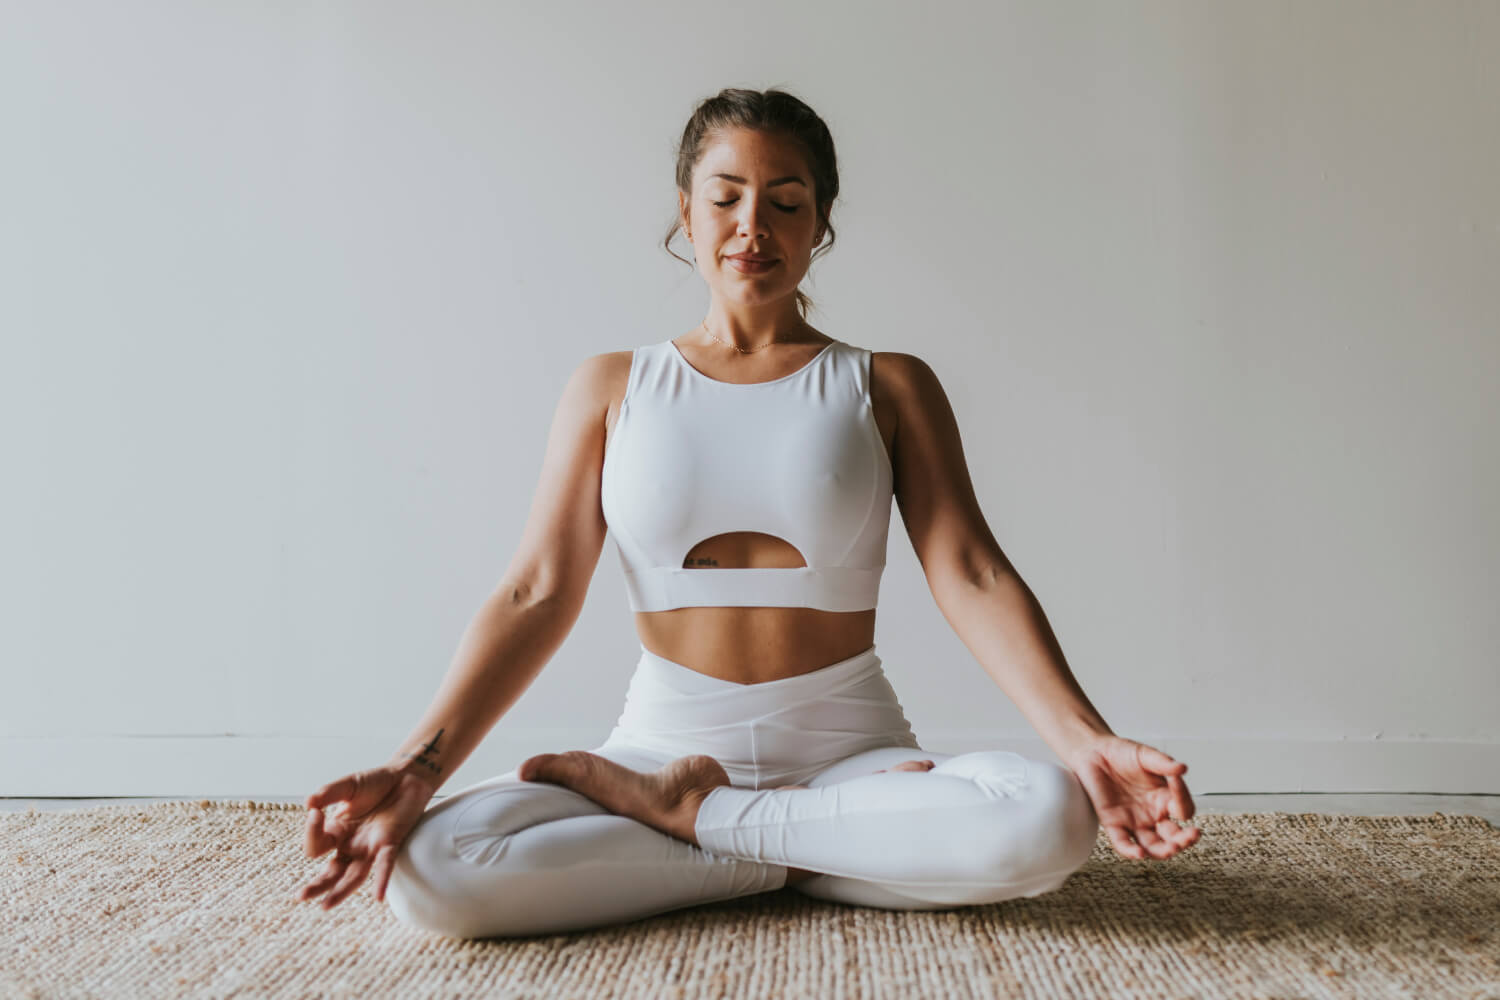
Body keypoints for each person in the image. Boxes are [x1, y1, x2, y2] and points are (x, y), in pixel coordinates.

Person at [295, 87, 1200, 939]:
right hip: (657, 745)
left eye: (786, 201)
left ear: (821, 225)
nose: (752, 227)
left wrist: (1088, 742)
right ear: (684, 213)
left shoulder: (888, 384)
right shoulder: (612, 387)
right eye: (725, 197)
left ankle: (695, 824)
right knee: (430, 869)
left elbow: (973, 573)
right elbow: (535, 590)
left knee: (1050, 818)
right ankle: (805, 849)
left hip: (854, 756)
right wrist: (419, 771)